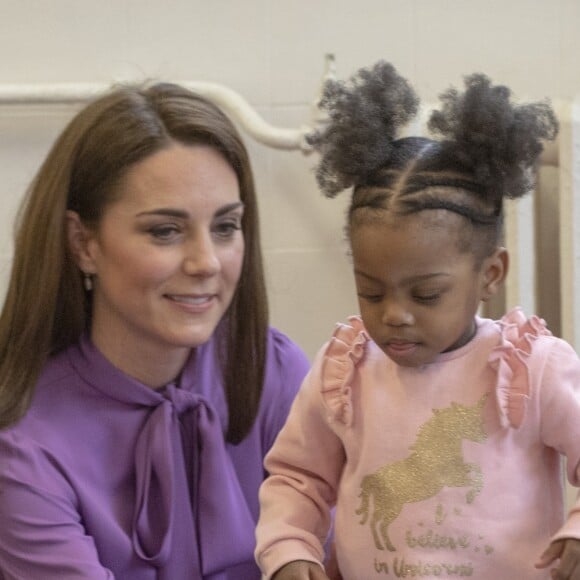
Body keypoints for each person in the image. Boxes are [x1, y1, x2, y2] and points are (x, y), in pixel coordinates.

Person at [254, 61, 580, 580]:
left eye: (427, 295)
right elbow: (297, 476)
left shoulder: (531, 370)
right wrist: (290, 548)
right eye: (371, 291)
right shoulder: (346, 370)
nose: (394, 315)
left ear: (490, 274)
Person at [0, 81, 310, 579]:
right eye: (165, 231)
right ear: (83, 243)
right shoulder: (23, 446)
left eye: (226, 227)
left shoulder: (277, 371)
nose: (206, 261)